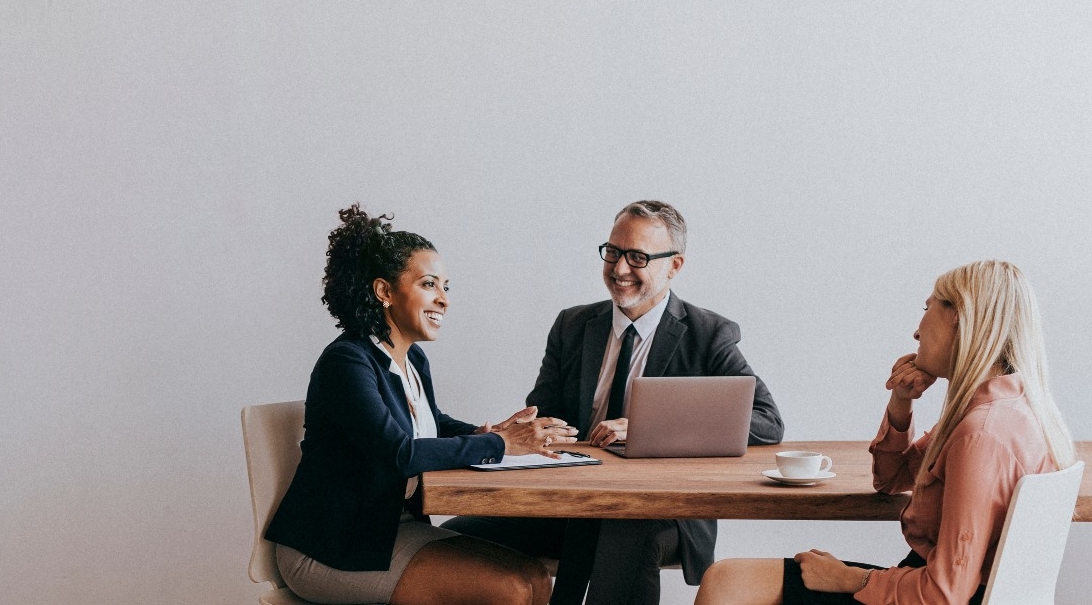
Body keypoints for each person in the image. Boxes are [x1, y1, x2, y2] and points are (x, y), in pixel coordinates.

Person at [443, 200, 785, 605]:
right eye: (613, 252)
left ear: (674, 266)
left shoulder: (708, 334)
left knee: (626, 531)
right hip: (571, 500)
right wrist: (526, 431)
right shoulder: (572, 325)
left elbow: (767, 422)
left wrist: (648, 428)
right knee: (451, 539)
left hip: (663, 509)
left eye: (638, 257)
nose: (619, 269)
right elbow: (544, 412)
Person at [694, 260, 1079, 605]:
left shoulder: (982, 435)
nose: (916, 331)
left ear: (959, 316)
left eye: (927, 308)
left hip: (931, 594)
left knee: (726, 583)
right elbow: (891, 479)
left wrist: (849, 579)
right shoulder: (1006, 408)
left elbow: (945, 595)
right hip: (931, 584)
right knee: (729, 579)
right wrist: (901, 402)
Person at [264, 204, 578, 605]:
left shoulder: (412, 359)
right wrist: (501, 445)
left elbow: (430, 425)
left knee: (535, 576)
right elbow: (400, 452)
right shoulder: (347, 361)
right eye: (430, 284)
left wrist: (491, 433)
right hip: (330, 547)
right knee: (511, 589)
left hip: (390, 528)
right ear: (384, 291)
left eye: (446, 286)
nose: (443, 300)